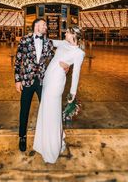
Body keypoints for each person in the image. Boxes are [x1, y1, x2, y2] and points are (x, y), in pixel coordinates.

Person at [33, 26, 85, 164]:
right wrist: (38, 31)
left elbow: (76, 74)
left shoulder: (79, 53)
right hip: (48, 78)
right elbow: (49, 41)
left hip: (56, 83)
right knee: (46, 110)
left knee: (52, 112)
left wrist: (72, 93)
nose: (65, 33)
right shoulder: (63, 43)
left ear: (73, 35)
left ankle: (52, 147)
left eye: (67, 32)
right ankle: (44, 143)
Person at [14, 18, 68, 152]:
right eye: (44, 25)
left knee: (46, 109)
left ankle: (46, 138)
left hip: (43, 82)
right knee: (24, 110)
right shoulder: (25, 40)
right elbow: (18, 60)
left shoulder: (48, 42)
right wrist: (17, 80)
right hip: (27, 80)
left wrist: (64, 65)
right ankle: (22, 136)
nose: (46, 27)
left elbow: (55, 58)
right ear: (36, 26)